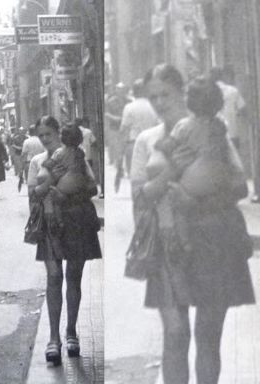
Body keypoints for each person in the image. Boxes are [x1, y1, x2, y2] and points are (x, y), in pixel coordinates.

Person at [130, 65, 255, 384]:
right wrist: (173, 171)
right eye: (152, 96)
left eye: (165, 94)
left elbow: (239, 186)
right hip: (167, 245)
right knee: (175, 335)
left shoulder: (215, 130)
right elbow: (140, 199)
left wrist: (194, 200)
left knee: (208, 336)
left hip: (214, 240)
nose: (159, 102)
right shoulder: (148, 140)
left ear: (182, 92)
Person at [27, 115, 101, 367]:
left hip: (76, 221)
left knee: (74, 277)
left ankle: (71, 332)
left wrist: (64, 192)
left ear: (59, 133)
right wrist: (46, 193)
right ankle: (53, 338)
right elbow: (32, 195)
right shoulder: (37, 161)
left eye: (49, 133)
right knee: (54, 277)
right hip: (49, 225)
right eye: (41, 135)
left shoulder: (77, 156)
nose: (45, 139)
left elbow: (93, 187)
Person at [116, 78, 159, 193]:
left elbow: (124, 129)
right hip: (153, 143)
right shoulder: (154, 106)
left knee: (135, 174)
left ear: (134, 92)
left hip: (133, 144)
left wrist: (120, 151)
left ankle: (139, 195)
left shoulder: (129, 107)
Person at [22, 125, 46, 189]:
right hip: (41, 162)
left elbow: (24, 154)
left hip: (29, 163)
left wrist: (22, 165)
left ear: (29, 132)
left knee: (30, 182)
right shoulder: (42, 141)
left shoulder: (26, 141)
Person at [10, 126, 28, 191]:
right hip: (18, 154)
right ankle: (21, 177)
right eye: (20, 131)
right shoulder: (15, 138)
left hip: (25, 154)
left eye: (23, 131)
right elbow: (12, 145)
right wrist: (18, 147)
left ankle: (26, 178)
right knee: (20, 167)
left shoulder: (27, 138)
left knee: (25, 167)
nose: (21, 132)